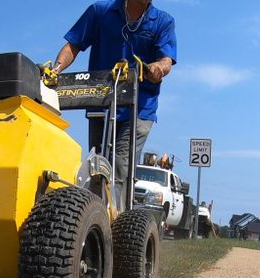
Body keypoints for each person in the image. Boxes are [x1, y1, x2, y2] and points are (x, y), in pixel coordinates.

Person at [52, 0, 177, 211]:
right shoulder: (101, 12)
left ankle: (115, 225)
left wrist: (158, 67)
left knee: (120, 166)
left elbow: (166, 60)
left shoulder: (163, 21)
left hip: (139, 107)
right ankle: (92, 219)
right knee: (97, 165)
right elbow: (74, 44)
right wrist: (55, 71)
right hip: (101, 102)